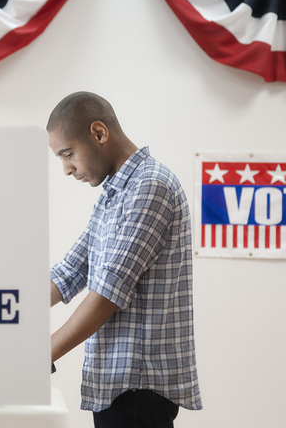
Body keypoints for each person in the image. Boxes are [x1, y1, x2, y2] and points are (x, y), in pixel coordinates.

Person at [47, 92, 202, 427]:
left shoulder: (150, 186)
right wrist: (5, 313)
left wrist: (42, 352)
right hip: (116, 389)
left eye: (68, 154)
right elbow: (69, 272)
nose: (66, 169)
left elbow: (107, 294)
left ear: (99, 133)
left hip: (138, 392)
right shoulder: (115, 194)